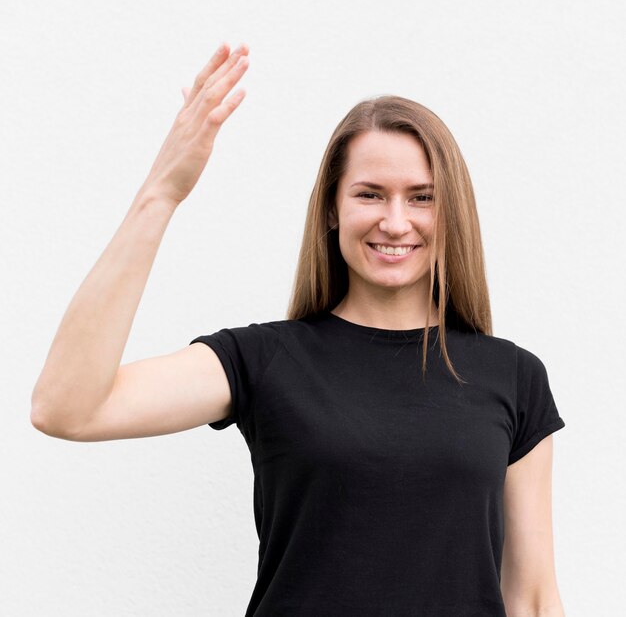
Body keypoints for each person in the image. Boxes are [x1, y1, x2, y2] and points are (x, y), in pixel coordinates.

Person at [31, 42, 567, 617]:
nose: (395, 220)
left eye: (421, 198)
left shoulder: (514, 377)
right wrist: (162, 192)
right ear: (333, 207)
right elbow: (67, 408)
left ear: (451, 212)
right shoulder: (264, 360)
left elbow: (532, 598)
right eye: (370, 194)